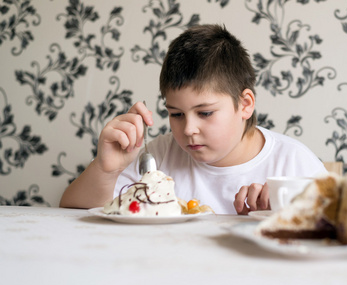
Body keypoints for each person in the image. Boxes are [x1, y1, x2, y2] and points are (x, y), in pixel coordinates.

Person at [60, 24, 327, 214]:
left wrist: (289, 212)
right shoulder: (159, 157)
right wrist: (107, 170)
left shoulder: (292, 162)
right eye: (175, 114)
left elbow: (341, 230)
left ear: (244, 104)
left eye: (205, 113)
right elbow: (72, 211)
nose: (188, 129)